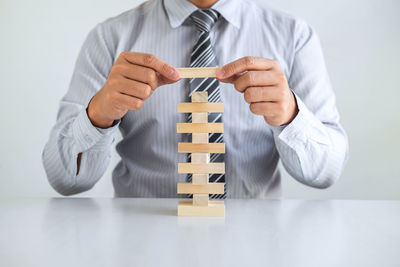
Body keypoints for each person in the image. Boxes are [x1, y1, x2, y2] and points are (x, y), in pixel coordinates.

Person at [42, 0, 348, 198]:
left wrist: (292, 115)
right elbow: (65, 179)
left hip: (259, 240)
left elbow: (326, 173)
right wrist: (98, 114)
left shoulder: (294, 36)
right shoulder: (111, 38)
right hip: (140, 241)